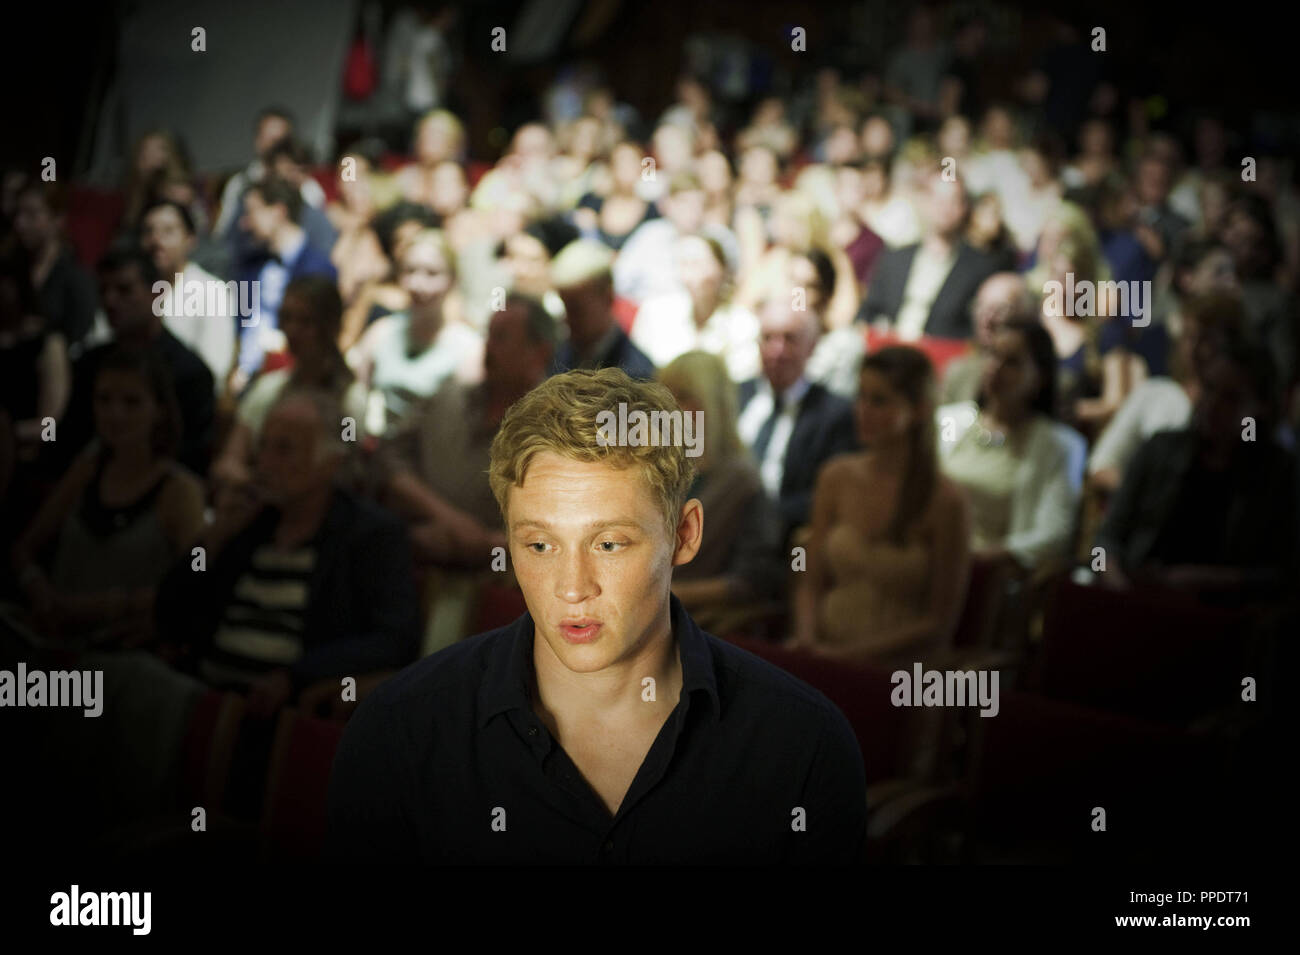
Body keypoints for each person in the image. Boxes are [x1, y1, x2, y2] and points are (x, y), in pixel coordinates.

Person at [326, 367, 867, 864]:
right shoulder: (399, 732)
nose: (572, 588)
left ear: (685, 534)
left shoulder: (803, 749)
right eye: (539, 546)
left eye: (609, 543)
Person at [157, 388, 421, 712]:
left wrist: (299, 676)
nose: (265, 463)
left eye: (284, 450)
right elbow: (168, 613)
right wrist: (214, 537)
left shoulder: (370, 534)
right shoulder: (249, 522)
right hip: (202, 694)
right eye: (263, 446)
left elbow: (395, 638)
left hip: (283, 713)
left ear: (329, 463)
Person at [12, 345, 205, 645]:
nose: (115, 414)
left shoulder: (180, 490)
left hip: (126, 655)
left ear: (160, 410)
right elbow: (24, 548)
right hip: (54, 645)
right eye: (104, 400)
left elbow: (196, 578)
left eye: (132, 402)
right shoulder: (88, 468)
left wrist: (108, 606)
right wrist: (38, 589)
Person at [792, 346, 970, 663]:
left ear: (918, 410)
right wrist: (807, 640)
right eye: (861, 397)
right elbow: (809, 578)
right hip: (822, 651)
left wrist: (846, 657)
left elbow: (939, 623)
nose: (863, 410)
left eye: (879, 401)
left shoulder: (946, 501)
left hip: (897, 671)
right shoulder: (835, 476)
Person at [1093, 339, 1298, 599]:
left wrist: (1212, 580)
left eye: (1231, 398)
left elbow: (1284, 575)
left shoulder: (1276, 471)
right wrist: (1116, 584)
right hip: (1137, 599)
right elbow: (1104, 541)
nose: (1212, 406)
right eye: (1209, 389)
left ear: (1259, 408)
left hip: (1224, 620)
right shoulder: (1159, 449)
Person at [379, 294, 553, 567]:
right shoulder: (448, 397)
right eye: (488, 335)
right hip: (416, 557)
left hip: (503, 583)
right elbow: (388, 457)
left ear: (539, 352)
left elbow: (563, 532)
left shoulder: (557, 430)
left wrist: (487, 545)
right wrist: (442, 517)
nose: (488, 347)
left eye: (502, 337)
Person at [937, 318, 1081, 576]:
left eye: (1012, 362)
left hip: (989, 574)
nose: (996, 368)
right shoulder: (948, 421)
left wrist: (986, 557)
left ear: (1041, 377)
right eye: (993, 355)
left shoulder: (1060, 446)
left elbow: (1054, 535)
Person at [59, 245, 214, 475]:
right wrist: (43, 430)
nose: (110, 301)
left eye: (124, 290)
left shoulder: (190, 373)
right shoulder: (89, 363)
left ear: (158, 294)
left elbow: (193, 459)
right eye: (103, 291)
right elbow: (62, 434)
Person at [212, 276, 367, 502]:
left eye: (305, 321)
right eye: (286, 318)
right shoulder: (268, 389)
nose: (292, 330)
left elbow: (346, 465)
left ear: (330, 326)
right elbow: (231, 457)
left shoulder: (350, 403)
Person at [657, 351, 784, 621]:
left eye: (684, 396)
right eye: (665, 395)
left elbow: (752, 581)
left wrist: (669, 594)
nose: (670, 407)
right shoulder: (654, 467)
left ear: (714, 405)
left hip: (693, 620)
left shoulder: (742, 481)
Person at [737, 299, 858, 547]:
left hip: (783, 538)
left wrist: (763, 517)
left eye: (789, 339)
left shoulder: (835, 414)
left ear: (812, 347)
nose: (777, 351)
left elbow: (827, 496)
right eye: (768, 338)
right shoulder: (735, 395)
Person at [350, 228, 483, 434]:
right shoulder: (382, 331)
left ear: (453, 280)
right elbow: (353, 398)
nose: (417, 284)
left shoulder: (469, 348)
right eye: (410, 271)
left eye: (432, 273)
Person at [857, 173, 999, 340]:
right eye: (938, 199)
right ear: (925, 201)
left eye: (953, 201)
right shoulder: (894, 258)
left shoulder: (980, 268)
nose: (945, 208)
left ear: (964, 207)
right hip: (890, 354)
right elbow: (868, 313)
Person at [234, 177, 338, 392]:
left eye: (252, 212)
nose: (244, 222)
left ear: (278, 212)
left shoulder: (318, 269)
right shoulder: (250, 264)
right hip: (242, 374)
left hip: (290, 378)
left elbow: (316, 339)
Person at [630, 234, 760, 382]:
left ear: (722, 270)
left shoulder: (743, 323)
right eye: (684, 264)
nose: (690, 277)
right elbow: (637, 374)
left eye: (698, 264)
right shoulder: (654, 312)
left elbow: (743, 379)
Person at [140, 199, 236, 391]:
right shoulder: (127, 288)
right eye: (149, 231)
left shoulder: (211, 291)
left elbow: (213, 368)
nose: (156, 241)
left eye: (168, 231)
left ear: (190, 240)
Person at [11, 180, 97, 356]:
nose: (20, 224)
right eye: (18, 213)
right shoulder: (13, 266)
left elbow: (80, 338)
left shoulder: (75, 276)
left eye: (32, 214)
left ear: (57, 219)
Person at [549, 239, 655, 379]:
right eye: (565, 307)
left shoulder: (636, 374)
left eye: (576, 309)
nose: (567, 319)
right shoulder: (556, 357)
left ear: (607, 297)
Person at [939, 272, 1038, 405]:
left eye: (1000, 309)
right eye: (981, 307)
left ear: (1026, 315)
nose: (987, 319)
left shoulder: (1040, 380)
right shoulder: (958, 373)